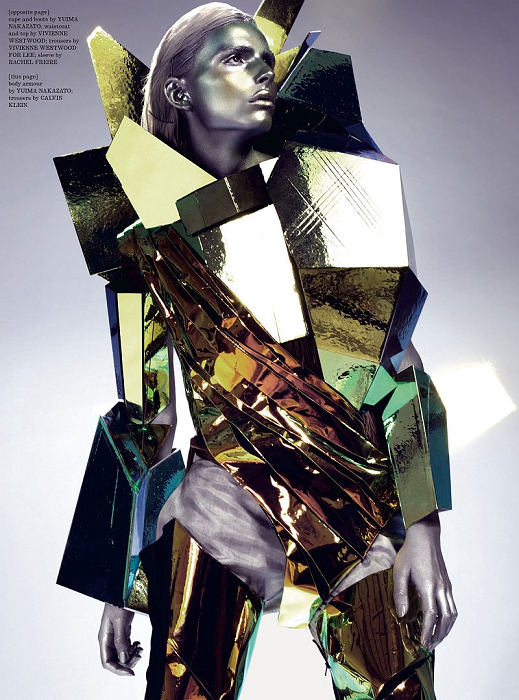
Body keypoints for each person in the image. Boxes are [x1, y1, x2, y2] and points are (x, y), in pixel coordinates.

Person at [58, 3, 456, 699]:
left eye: (264, 58)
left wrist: (423, 533)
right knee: (182, 686)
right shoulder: (142, 242)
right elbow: (144, 415)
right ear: (178, 91)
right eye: (235, 59)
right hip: (222, 501)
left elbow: (397, 369)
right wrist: (116, 582)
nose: (261, 72)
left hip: (350, 498)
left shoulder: (326, 193)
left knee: (394, 685)